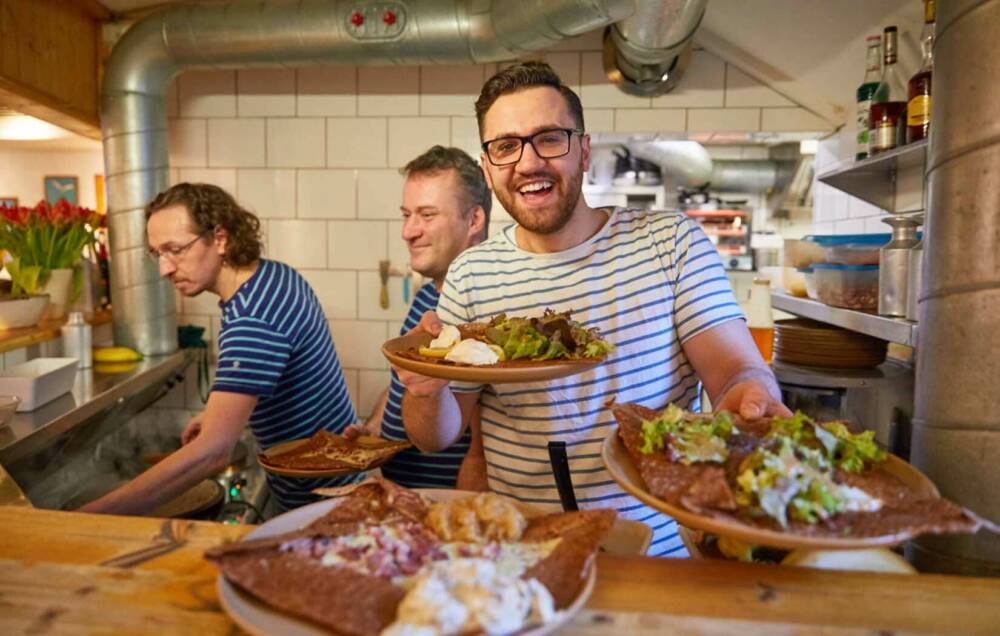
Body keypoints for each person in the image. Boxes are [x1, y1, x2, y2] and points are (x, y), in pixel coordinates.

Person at [397, 62, 792, 556]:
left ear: (583, 150)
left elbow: (734, 370)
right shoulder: (472, 274)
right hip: (522, 553)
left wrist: (751, 393)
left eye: (549, 138)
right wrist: (426, 389)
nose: (527, 162)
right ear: (488, 166)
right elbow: (436, 435)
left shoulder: (670, 244)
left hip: (657, 553)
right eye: (506, 146)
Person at [81, 183, 359, 515]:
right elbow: (280, 376)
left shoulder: (253, 317)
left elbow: (213, 453)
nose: (165, 269)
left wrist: (93, 514)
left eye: (176, 249)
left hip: (323, 504)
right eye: (157, 253)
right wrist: (218, 415)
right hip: (338, 482)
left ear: (220, 238)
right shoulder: (272, 277)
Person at [350, 146, 491, 490]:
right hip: (405, 492)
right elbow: (407, 377)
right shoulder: (430, 295)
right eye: (406, 215)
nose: (408, 232)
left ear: (474, 220)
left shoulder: (486, 305)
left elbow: (485, 437)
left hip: (445, 505)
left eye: (427, 216)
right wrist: (376, 426)